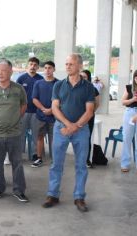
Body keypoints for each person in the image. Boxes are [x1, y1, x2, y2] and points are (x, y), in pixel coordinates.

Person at [42, 54, 95, 212]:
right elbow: (55, 108)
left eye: (71, 64)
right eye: (66, 64)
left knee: (81, 165)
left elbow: (90, 111)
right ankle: (53, 195)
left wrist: (75, 126)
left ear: (79, 66)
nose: (67, 67)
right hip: (61, 128)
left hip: (81, 130)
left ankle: (79, 197)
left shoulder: (88, 87)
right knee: (56, 164)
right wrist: (67, 124)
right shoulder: (58, 85)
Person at [0, 59, 28, 202]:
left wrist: (14, 119)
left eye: (3, 70)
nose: (0, 73)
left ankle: (19, 190)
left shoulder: (19, 89)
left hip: (14, 134)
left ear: (10, 72)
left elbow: (23, 107)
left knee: (17, 164)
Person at [31, 61, 58, 167]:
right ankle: (39, 158)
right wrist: (43, 109)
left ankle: (55, 160)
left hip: (55, 116)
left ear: (54, 69)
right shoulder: (38, 83)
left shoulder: (58, 84)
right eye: (45, 68)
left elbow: (61, 99)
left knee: (54, 139)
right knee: (39, 137)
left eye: (50, 68)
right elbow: (34, 99)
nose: (47, 70)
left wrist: (52, 110)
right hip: (40, 116)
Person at [17, 57, 43, 160]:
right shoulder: (21, 78)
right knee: (20, 134)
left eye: (35, 65)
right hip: (23, 112)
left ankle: (35, 154)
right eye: (31, 64)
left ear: (37, 67)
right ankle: (18, 154)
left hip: (36, 112)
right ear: (28, 65)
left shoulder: (41, 79)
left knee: (35, 135)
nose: (32, 66)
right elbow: (16, 95)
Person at [80, 70, 100, 168]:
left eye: (85, 77)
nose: (82, 78)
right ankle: (79, 158)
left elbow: (97, 103)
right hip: (77, 117)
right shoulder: (77, 88)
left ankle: (87, 159)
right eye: (81, 76)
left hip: (88, 117)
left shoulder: (93, 89)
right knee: (78, 138)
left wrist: (91, 113)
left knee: (87, 137)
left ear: (88, 78)